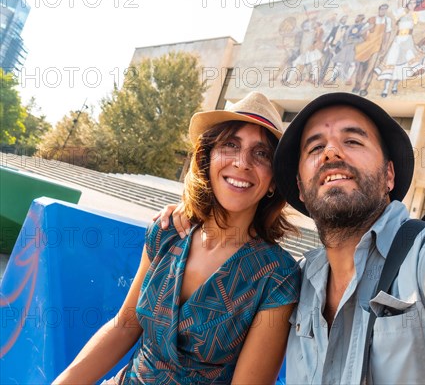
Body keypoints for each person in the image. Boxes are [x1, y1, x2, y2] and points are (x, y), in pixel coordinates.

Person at [162, 93, 425, 384]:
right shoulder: (297, 283)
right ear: (298, 182)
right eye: (315, 148)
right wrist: (194, 213)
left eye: (352, 141)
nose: (332, 152)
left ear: (389, 174)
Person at [53, 92, 301, 384]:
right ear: (207, 159)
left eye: (261, 154)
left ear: (273, 181)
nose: (242, 162)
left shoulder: (277, 276)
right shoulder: (166, 231)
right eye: (230, 145)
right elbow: (124, 326)